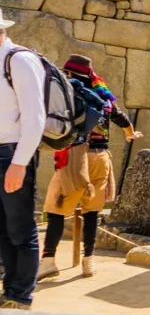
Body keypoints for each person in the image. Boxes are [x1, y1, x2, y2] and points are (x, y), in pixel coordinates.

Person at [37, 55, 141, 281]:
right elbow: (122, 119)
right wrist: (131, 134)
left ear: (71, 74)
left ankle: (48, 261)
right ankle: (88, 262)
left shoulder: (68, 93)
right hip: (101, 158)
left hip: (74, 159)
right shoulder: (102, 96)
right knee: (92, 212)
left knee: (55, 210)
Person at [0, 9, 46, 310]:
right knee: (3, 228)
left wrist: (19, 163)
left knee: (20, 227)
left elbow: (35, 117)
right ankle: (10, 291)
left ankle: (21, 296)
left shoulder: (19, 59)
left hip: (13, 152)